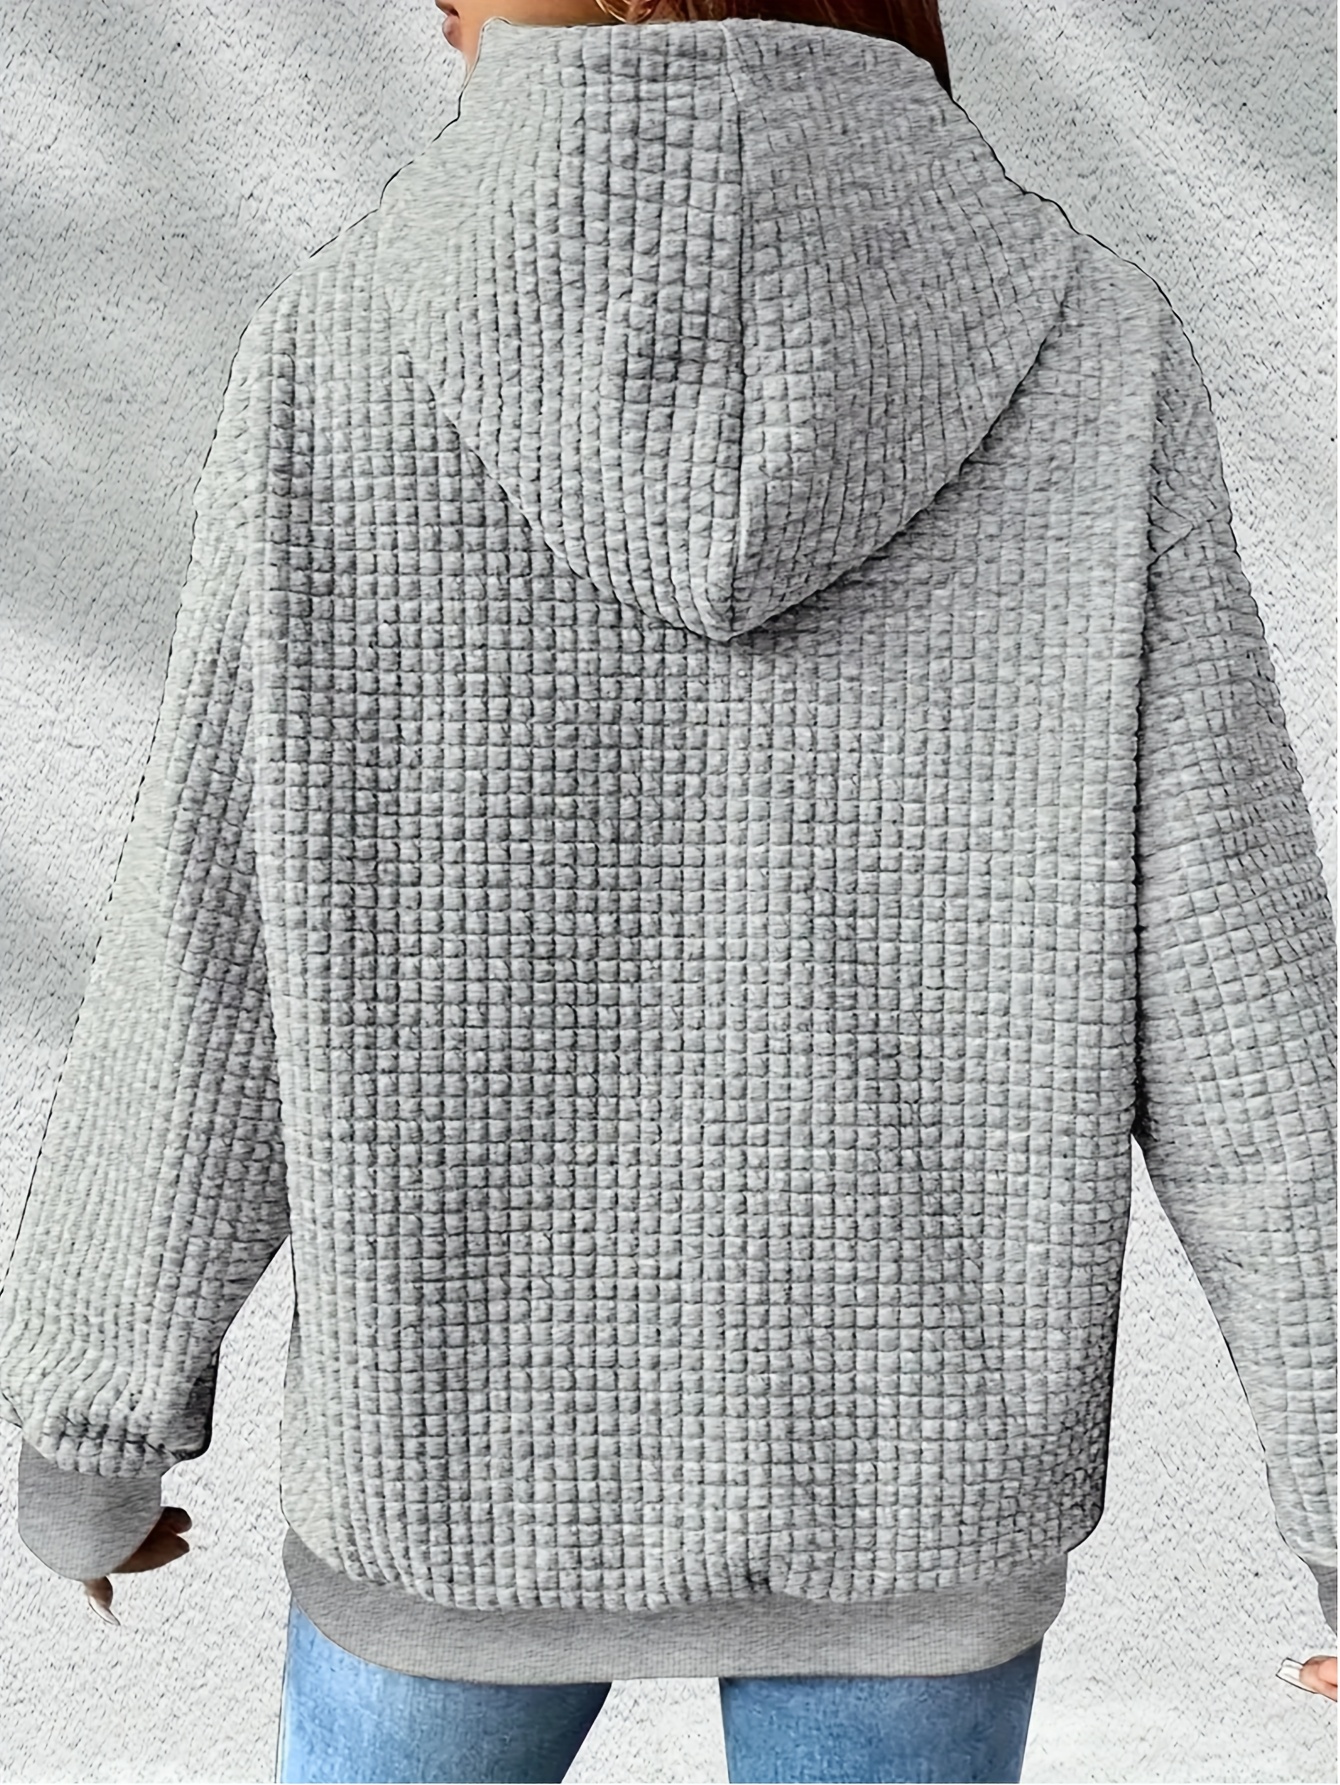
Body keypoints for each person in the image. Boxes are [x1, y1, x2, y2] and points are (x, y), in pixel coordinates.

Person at [0, 1, 1334, 1781]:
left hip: (446, 1485)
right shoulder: (1100, 352)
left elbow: (207, 945)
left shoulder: (339, 343)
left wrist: (90, 1436)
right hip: (918, 1500)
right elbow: (1249, 1006)